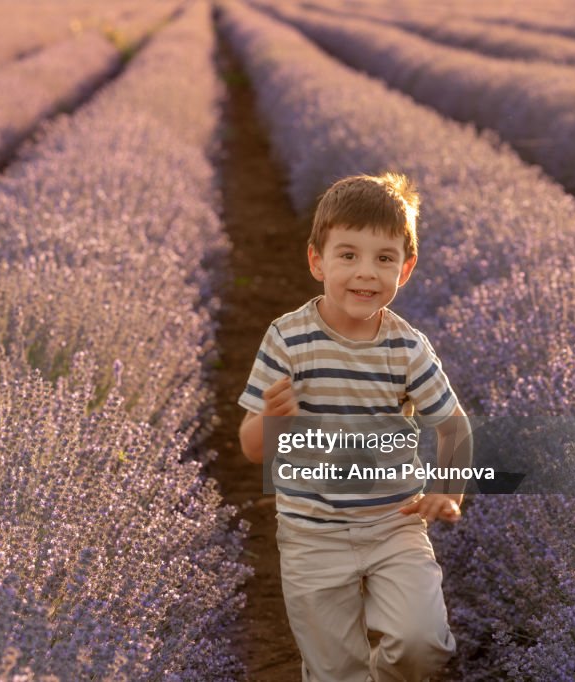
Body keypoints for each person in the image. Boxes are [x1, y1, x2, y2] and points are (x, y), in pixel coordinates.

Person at [238, 172, 473, 682]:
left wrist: (447, 489)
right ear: (316, 261)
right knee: (334, 671)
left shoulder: (407, 348)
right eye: (348, 255)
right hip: (311, 535)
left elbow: (454, 426)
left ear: (405, 270)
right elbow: (252, 448)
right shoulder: (287, 339)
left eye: (384, 258)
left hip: (395, 525)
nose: (366, 273)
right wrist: (271, 422)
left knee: (423, 644)